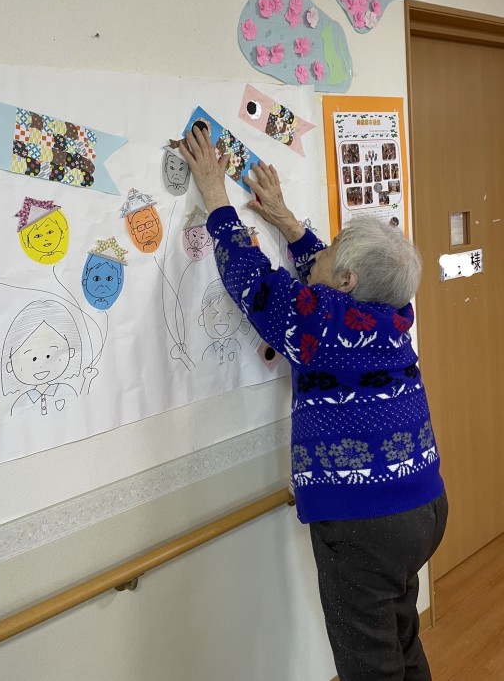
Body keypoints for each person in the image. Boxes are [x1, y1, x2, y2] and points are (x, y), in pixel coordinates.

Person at [180, 126, 447, 681]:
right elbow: (332, 280)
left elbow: (251, 278)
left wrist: (214, 194)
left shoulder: (319, 323)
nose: (316, 252)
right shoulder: (390, 312)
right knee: (401, 638)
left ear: (345, 281)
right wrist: (286, 221)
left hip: (368, 523)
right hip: (423, 506)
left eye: (327, 252)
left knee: (370, 666)